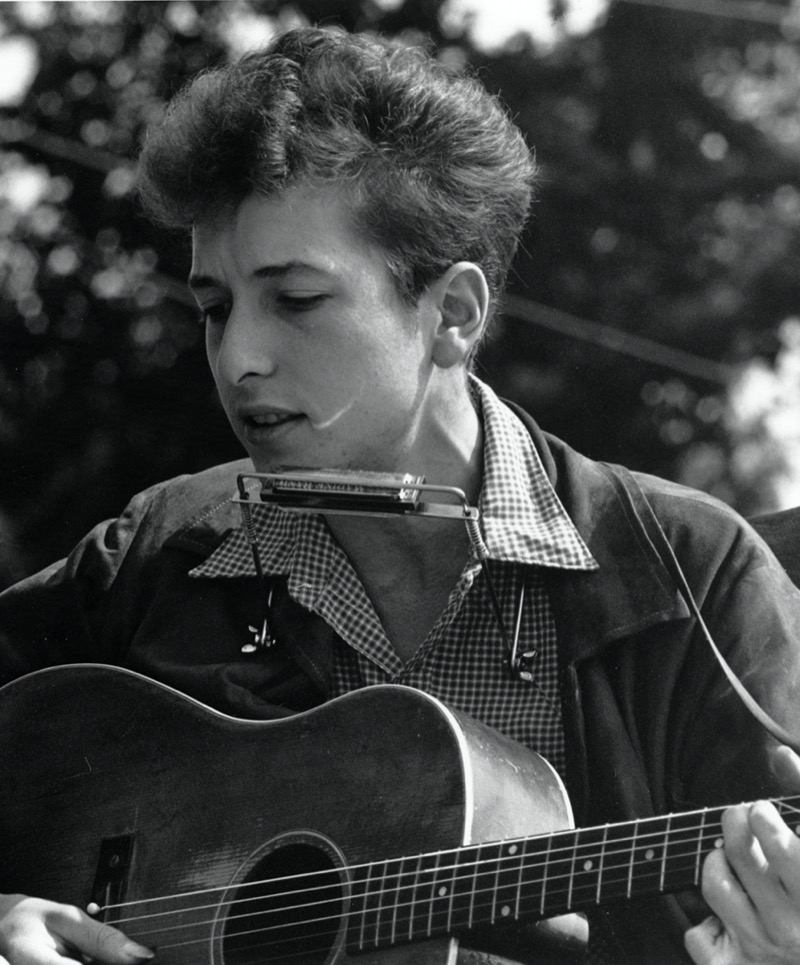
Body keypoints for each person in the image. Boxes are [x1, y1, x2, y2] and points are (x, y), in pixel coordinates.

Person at [1, 25, 800, 965]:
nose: (238, 358)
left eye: (295, 299)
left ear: (453, 315)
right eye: (214, 306)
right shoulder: (155, 551)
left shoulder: (691, 573)